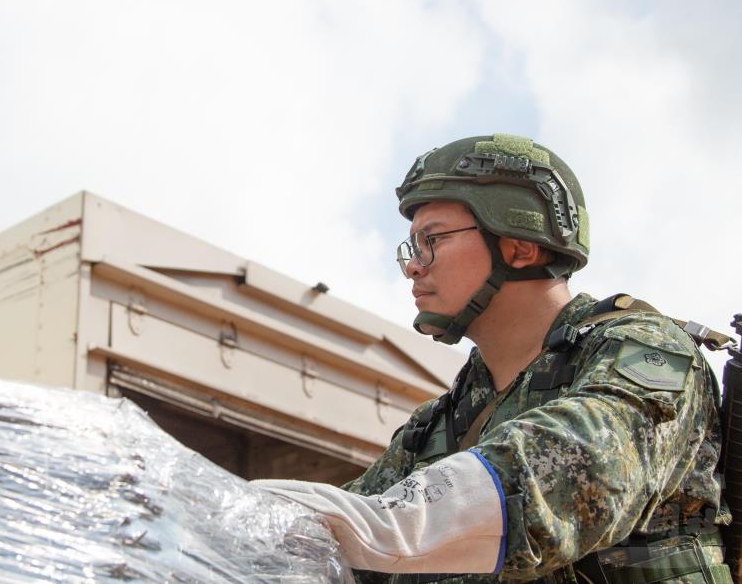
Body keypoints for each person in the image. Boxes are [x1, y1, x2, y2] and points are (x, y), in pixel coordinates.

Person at [255, 134, 730, 583]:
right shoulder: (442, 422)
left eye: (433, 241)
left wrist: (381, 524)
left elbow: (585, 467)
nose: (413, 267)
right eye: (411, 248)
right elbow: (343, 540)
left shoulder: (644, 348)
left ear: (518, 246)